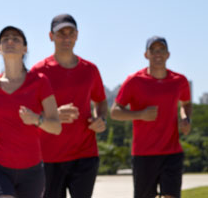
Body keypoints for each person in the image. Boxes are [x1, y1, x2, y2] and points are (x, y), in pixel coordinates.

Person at [0, 26, 61, 198]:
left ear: (25, 49)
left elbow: (56, 126)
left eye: (16, 39)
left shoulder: (40, 82)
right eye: (5, 39)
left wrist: (36, 119)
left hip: (32, 170)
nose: (10, 41)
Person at [31, 14, 108, 198]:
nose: (66, 37)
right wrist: (52, 115)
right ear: (51, 36)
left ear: (77, 35)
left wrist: (101, 118)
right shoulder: (38, 72)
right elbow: (28, 112)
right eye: (61, 33)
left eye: (70, 33)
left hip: (85, 154)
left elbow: (101, 101)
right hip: (49, 156)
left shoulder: (90, 70)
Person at [111, 36, 191, 198]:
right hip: (143, 154)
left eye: (161, 50)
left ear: (168, 54)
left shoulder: (179, 81)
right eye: (153, 51)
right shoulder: (134, 81)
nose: (157, 54)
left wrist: (186, 118)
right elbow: (114, 112)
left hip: (172, 152)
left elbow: (186, 103)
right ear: (146, 55)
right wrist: (140, 114)